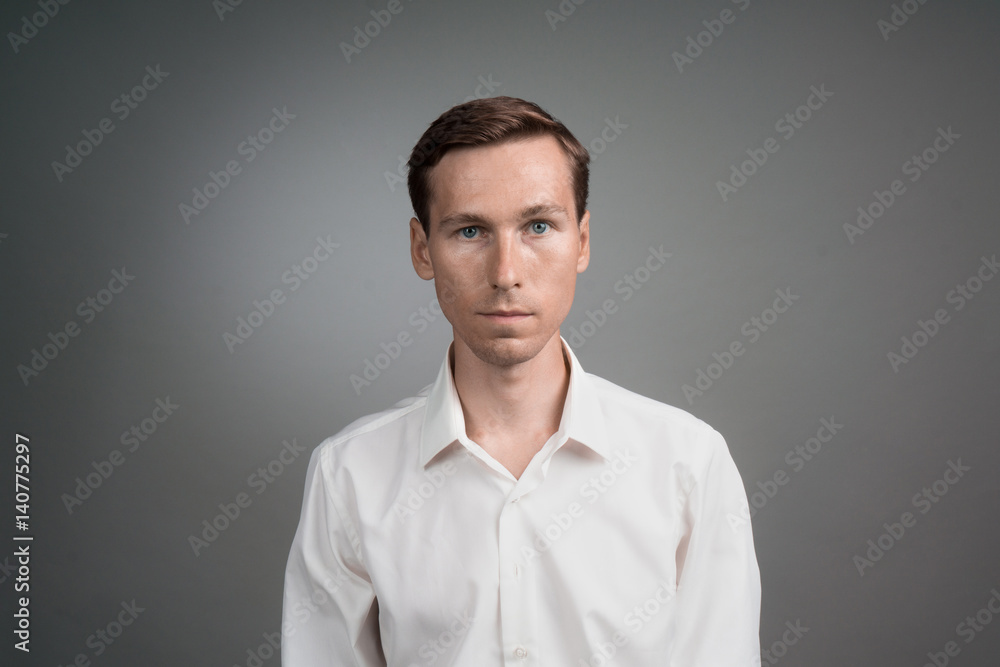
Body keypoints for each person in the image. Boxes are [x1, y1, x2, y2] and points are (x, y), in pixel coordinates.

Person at [282, 96, 761, 666]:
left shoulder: (688, 462)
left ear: (581, 241)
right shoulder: (350, 475)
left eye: (538, 226)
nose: (506, 273)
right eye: (469, 231)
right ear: (421, 249)